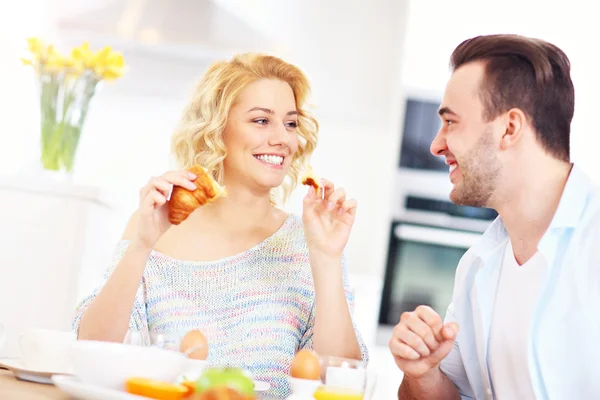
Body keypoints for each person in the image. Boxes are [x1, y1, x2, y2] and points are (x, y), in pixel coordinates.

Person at [73, 53, 368, 398]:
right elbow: (94, 352)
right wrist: (141, 245)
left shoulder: (310, 242)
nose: (282, 139)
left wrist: (327, 259)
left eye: (290, 124)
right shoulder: (155, 226)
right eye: (261, 121)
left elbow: (342, 382)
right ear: (216, 129)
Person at [389, 34, 600, 399]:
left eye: (451, 122)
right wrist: (422, 374)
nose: (435, 145)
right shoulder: (477, 266)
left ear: (509, 128)